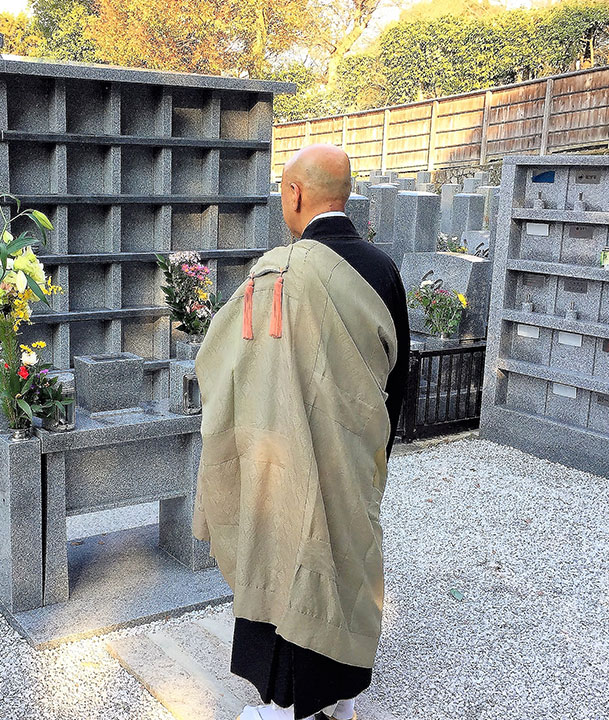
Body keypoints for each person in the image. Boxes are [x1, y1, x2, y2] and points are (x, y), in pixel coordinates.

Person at [192, 144, 410, 720]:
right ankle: (337, 697)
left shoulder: (277, 274)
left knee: (287, 554)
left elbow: (224, 366)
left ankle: (287, 706)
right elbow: (397, 379)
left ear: (295, 195)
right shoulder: (385, 270)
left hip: (282, 458)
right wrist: (367, 454)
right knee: (346, 562)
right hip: (354, 456)